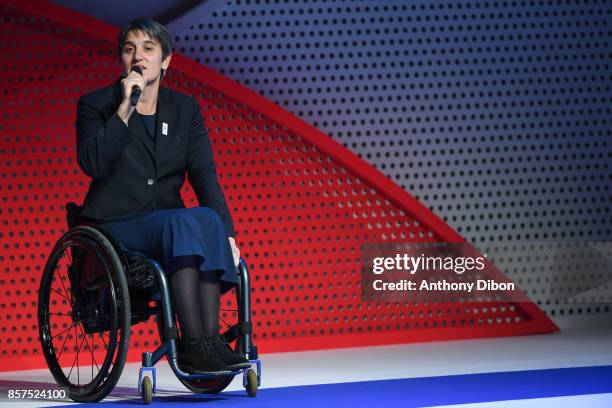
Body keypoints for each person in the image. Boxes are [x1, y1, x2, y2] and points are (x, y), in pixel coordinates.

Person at [75, 19, 250, 375]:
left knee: (207, 219)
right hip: (117, 224)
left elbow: (204, 175)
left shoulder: (185, 109)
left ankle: (208, 341)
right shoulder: (97, 105)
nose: (138, 56)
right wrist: (126, 107)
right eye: (129, 49)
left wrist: (227, 234)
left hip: (168, 223)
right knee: (184, 222)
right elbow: (91, 164)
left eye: (148, 48)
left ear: (166, 61)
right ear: (122, 60)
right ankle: (195, 344)